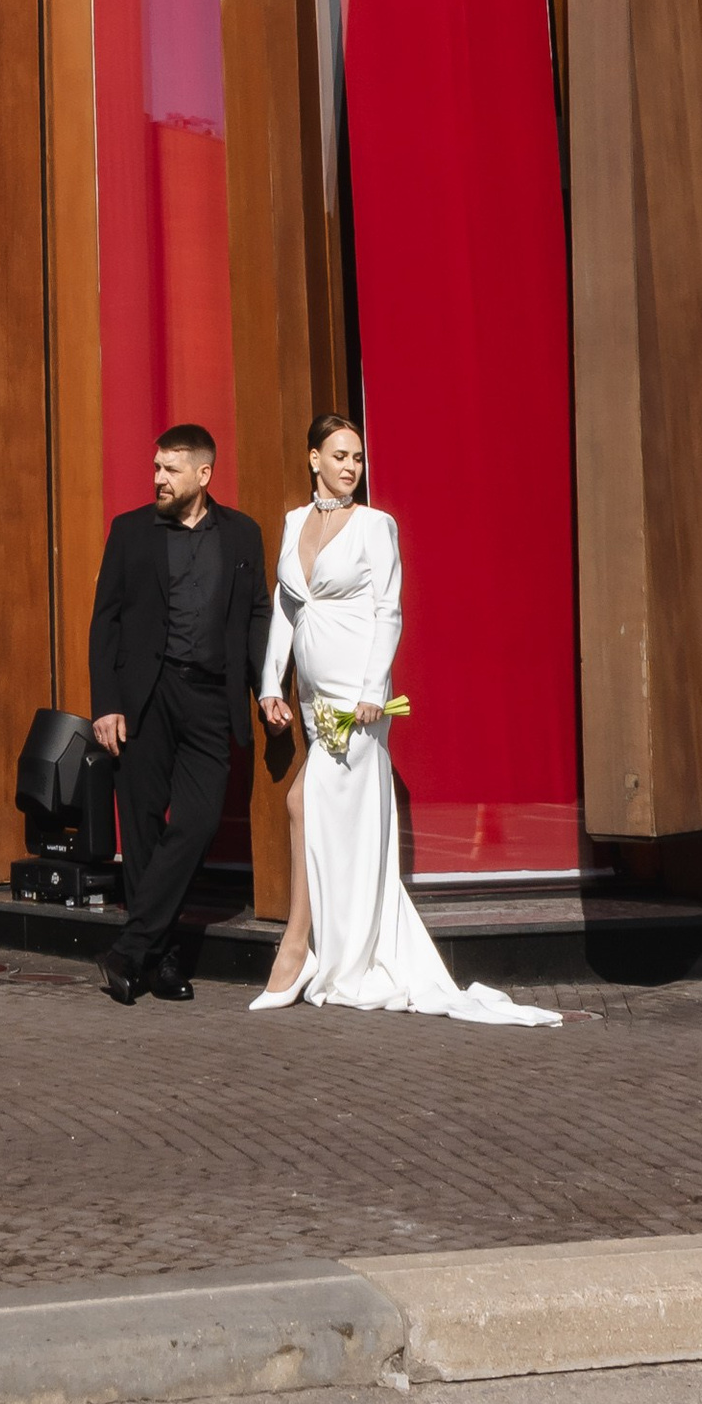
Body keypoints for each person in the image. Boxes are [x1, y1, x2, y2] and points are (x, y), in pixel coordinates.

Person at [253, 410, 557, 1026]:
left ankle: (302, 951)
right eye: (339, 456)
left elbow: (388, 611)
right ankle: (320, 951)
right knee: (313, 811)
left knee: (311, 809)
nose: (350, 467)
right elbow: (286, 608)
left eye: (357, 458)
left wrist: (371, 687)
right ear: (313, 459)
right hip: (312, 698)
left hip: (357, 698)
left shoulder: (375, 525)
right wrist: (269, 685)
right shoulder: (292, 523)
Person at [89, 421, 268, 1004]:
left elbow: (259, 614)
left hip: (212, 697)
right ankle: (159, 962)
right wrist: (107, 705)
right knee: (140, 827)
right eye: (156, 467)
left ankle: (129, 950)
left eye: (170, 469)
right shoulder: (131, 532)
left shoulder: (242, 535)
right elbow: (105, 623)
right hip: (147, 694)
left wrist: (267, 685)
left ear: (203, 474)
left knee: (196, 823)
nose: (158, 478)